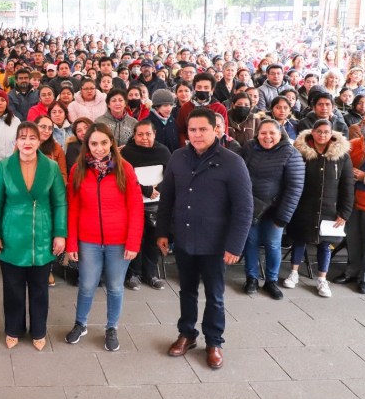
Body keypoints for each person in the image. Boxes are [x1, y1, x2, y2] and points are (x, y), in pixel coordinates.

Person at [157, 107, 253, 370]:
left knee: (215, 295)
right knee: (186, 291)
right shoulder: (178, 157)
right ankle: (187, 333)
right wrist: (162, 231)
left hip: (215, 243)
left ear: (216, 130)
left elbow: (244, 208)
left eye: (203, 129)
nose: (197, 135)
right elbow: (167, 198)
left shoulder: (233, 162)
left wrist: (235, 245)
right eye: (192, 130)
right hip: (185, 239)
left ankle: (214, 341)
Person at [0, 121, 67, 351]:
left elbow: (60, 203)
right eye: (23, 138)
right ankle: (13, 329)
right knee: (12, 288)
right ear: (16, 141)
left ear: (39, 141)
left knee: (40, 288)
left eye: (32, 138)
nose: (27, 142)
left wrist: (60, 234)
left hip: (42, 235)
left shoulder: (51, 167)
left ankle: (39, 331)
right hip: (12, 235)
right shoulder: (4, 166)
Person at [64, 123, 143, 351]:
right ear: (87, 145)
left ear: (112, 143)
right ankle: (81, 323)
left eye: (104, 143)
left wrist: (133, 242)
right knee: (87, 285)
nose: (99, 148)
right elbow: (73, 208)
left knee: (115, 287)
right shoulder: (78, 170)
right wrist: (71, 242)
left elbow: (135, 207)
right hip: (88, 240)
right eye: (94, 143)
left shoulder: (124, 168)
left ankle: (111, 327)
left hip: (118, 240)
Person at [284, 121, 354, 297]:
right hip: (303, 205)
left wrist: (344, 212)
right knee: (299, 239)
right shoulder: (300, 152)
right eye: (319, 131)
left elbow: (347, 186)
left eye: (326, 132)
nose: (322, 135)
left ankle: (322, 278)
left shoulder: (342, 156)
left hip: (330, 208)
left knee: (325, 243)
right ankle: (293, 273)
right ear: (312, 132)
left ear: (331, 134)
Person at [240, 118, 304, 299]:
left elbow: (295, 188)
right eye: (263, 133)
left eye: (272, 133)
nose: (267, 137)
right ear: (257, 134)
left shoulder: (291, 153)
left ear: (280, 134)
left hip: (276, 210)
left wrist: (283, 217)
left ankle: (271, 281)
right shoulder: (249, 148)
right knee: (250, 242)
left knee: (273, 244)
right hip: (251, 207)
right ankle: (251, 278)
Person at [121, 119, 172, 291]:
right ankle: (133, 273)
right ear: (134, 136)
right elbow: (122, 176)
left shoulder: (163, 151)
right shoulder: (127, 152)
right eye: (140, 135)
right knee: (136, 238)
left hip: (157, 203)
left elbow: (171, 176)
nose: (144, 138)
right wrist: (145, 189)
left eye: (148, 134)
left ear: (154, 134)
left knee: (152, 239)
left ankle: (151, 274)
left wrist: (158, 189)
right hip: (134, 202)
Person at [335, 111, 365, 293]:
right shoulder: (353, 144)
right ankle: (352, 271)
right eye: (364, 122)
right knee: (353, 239)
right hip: (352, 201)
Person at [175, 73, 228, 147]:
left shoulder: (219, 108)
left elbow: (224, 132)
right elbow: (181, 130)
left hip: (214, 147)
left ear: (212, 89)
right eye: (199, 87)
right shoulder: (185, 108)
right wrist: (185, 145)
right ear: (194, 88)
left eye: (206, 88)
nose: (202, 90)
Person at [34, 115, 68, 185]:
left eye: (50, 128)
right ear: (34, 127)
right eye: (43, 127)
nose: (47, 131)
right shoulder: (24, 144)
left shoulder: (57, 148)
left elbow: (62, 175)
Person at [147, 88, 179, 152]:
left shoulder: (172, 120)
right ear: (156, 107)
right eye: (165, 105)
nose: (169, 109)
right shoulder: (147, 123)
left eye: (171, 105)